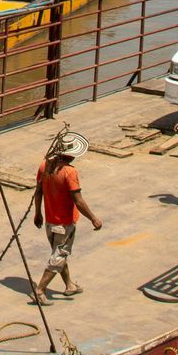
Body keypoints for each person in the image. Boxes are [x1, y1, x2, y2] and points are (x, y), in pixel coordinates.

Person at [31, 130, 102, 305]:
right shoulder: (69, 172)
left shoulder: (44, 166)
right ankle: (40, 289)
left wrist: (37, 213)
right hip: (64, 222)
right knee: (59, 255)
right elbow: (78, 200)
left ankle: (69, 284)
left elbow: (38, 192)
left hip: (49, 221)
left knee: (59, 253)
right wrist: (93, 218)